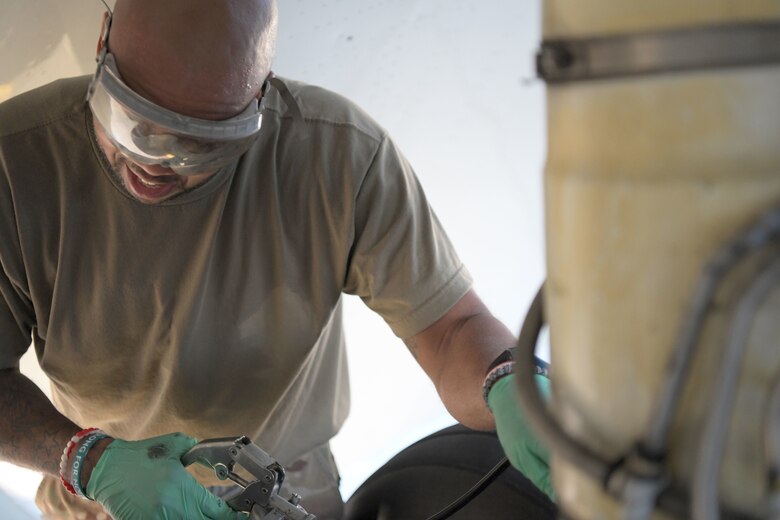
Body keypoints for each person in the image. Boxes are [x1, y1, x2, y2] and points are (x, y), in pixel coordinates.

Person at [0, 0, 552, 518]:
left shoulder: (339, 157)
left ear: (259, 96)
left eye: (204, 142)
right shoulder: (15, 165)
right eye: (132, 122)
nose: (157, 164)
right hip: (110, 498)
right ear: (103, 45)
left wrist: (508, 382)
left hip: (286, 496)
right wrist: (87, 460)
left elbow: (453, 329)